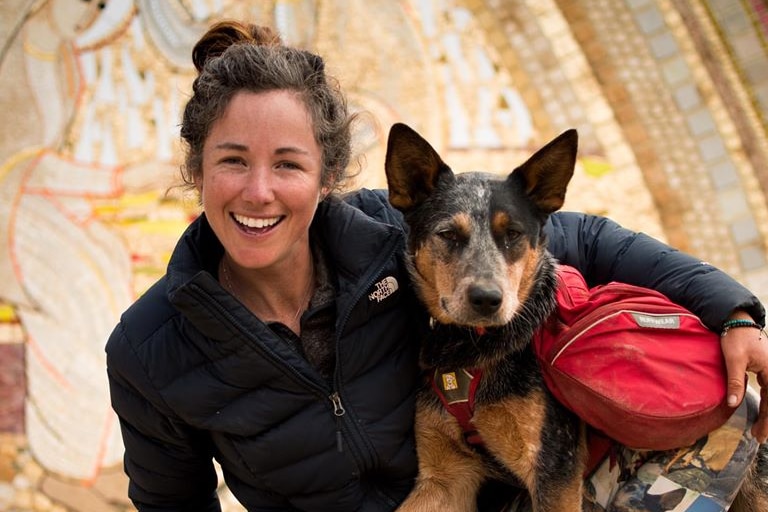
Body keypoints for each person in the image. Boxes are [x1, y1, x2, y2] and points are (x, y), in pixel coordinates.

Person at [105, 20, 768, 512]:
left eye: (287, 163)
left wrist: (735, 313)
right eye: (231, 159)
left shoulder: (389, 232)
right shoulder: (149, 349)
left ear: (327, 174)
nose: (258, 192)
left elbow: (589, 238)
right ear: (195, 168)